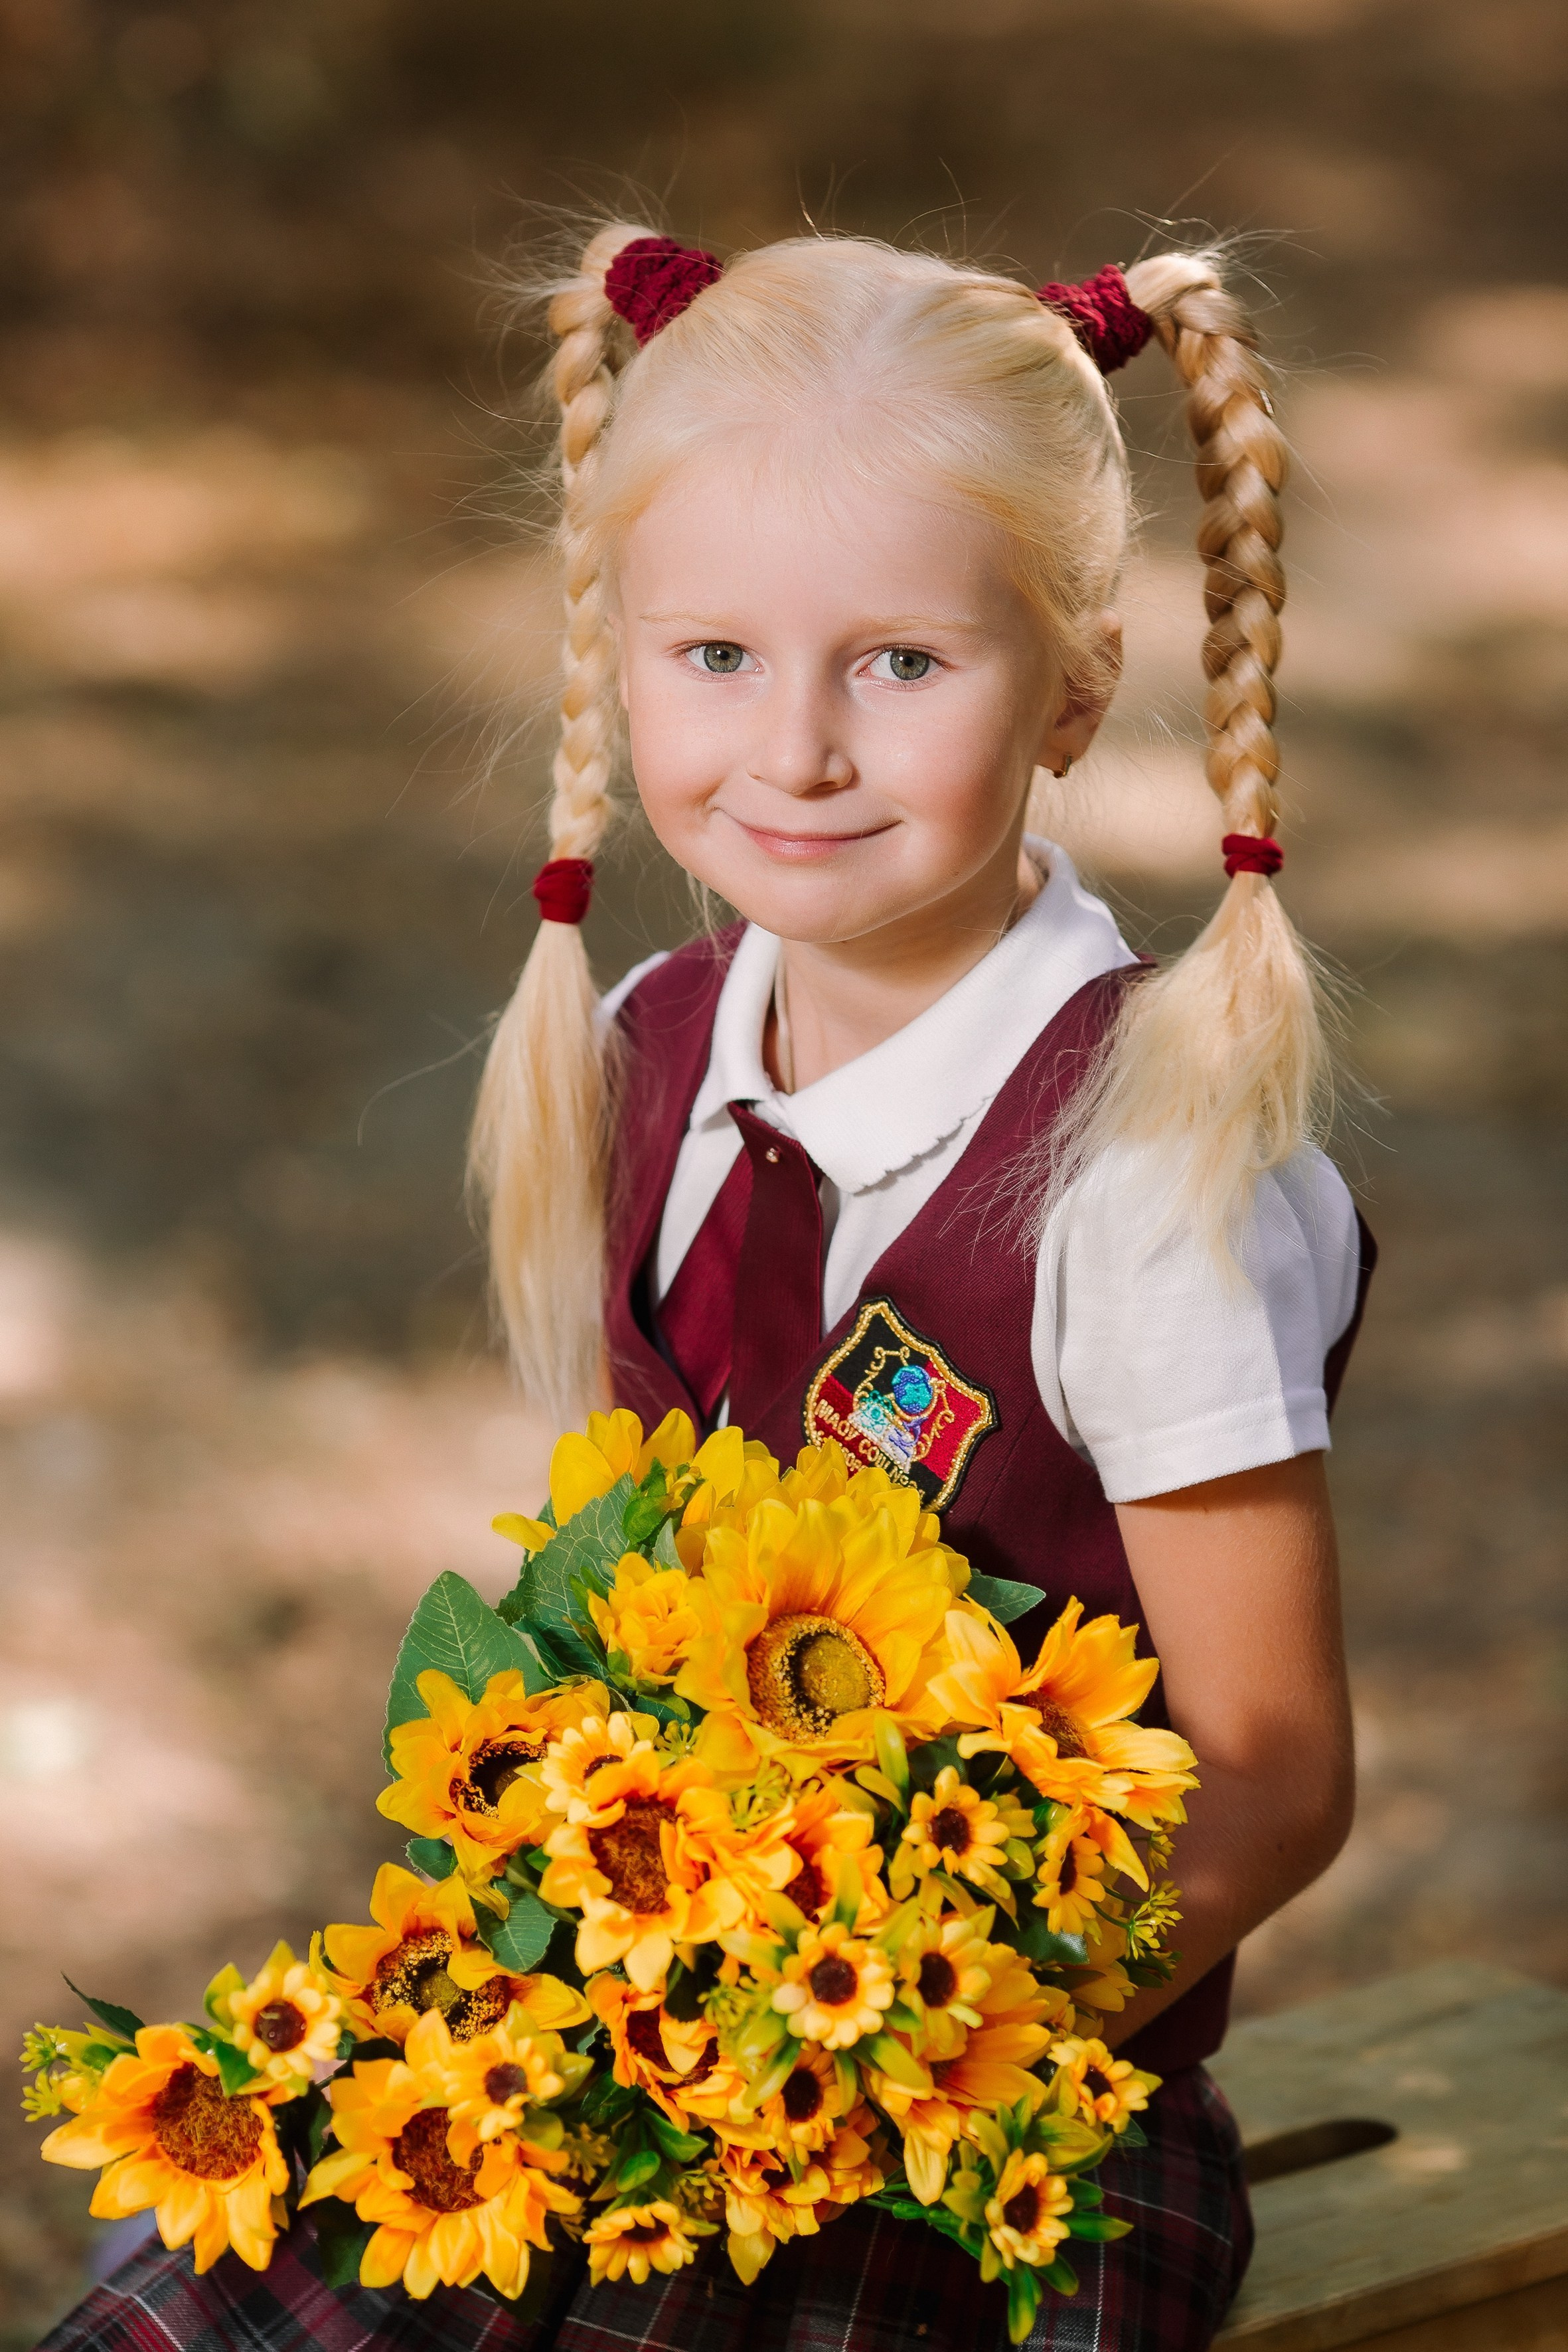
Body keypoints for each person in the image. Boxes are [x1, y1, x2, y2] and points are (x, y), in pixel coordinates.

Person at [43, 224, 1369, 2352]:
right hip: (649, 2014)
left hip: (1006, 2088)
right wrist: (594, 2003)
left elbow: (1274, 1773)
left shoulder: (1137, 1179)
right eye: (716, 657)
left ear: (1074, 690)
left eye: (902, 664)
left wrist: (862, 2077)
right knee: (201, 2309)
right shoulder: (653, 1043)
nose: (799, 752)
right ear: (617, 657)